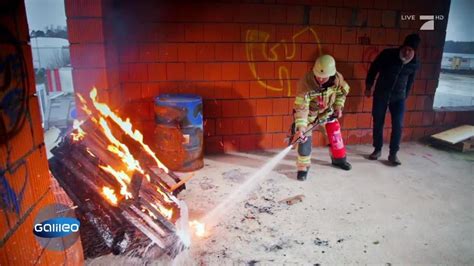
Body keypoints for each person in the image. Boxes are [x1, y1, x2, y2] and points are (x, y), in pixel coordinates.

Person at [365, 33, 421, 165]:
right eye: (405, 48)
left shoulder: (414, 63)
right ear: (402, 46)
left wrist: (405, 96)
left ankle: (393, 154)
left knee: (398, 125)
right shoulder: (388, 55)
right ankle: (377, 149)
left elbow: (410, 81)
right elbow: (374, 69)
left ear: (414, 51)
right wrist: (369, 86)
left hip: (398, 98)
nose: (407, 52)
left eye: (410, 50)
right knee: (378, 121)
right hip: (381, 94)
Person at [293, 54, 351, 181]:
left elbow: (342, 93)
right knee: (304, 139)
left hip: (327, 113)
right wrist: (301, 128)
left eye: (323, 77)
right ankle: (303, 167)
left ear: (331, 74)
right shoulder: (306, 82)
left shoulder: (337, 79)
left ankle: (339, 160)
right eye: (317, 75)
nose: (319, 79)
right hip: (309, 115)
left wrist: (338, 107)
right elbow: (301, 107)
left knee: (335, 134)